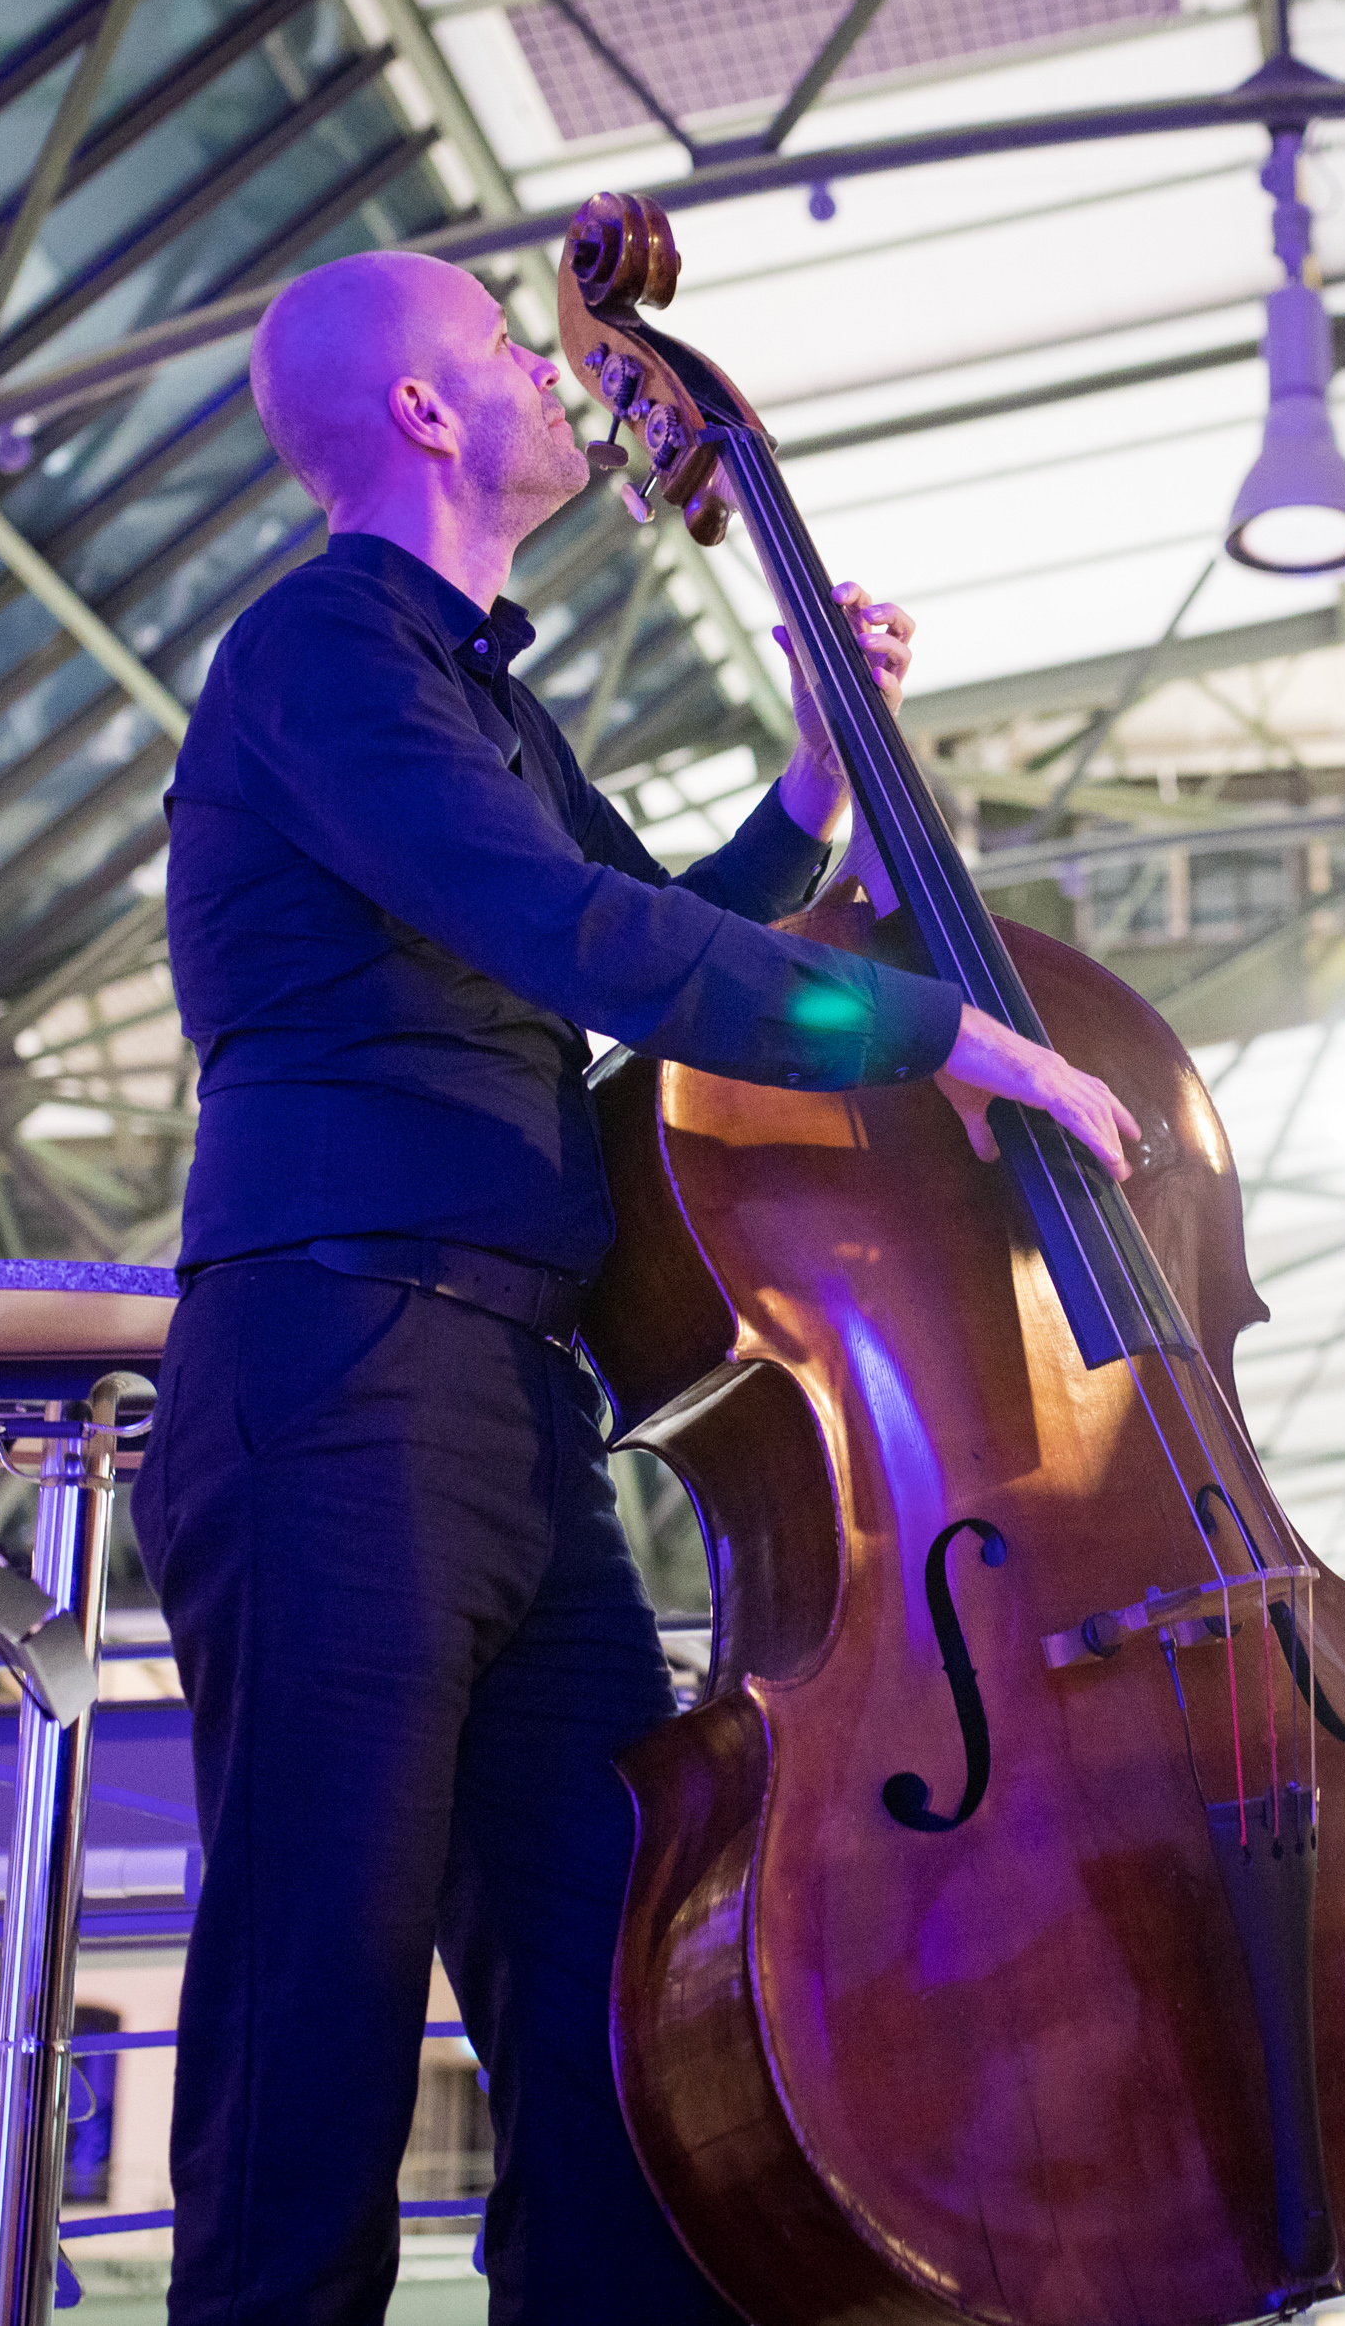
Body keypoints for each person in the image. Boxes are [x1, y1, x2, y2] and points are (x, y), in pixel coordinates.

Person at [129, 248, 1138, 2326]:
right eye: (509, 349)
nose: (551, 375)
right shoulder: (319, 652)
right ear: (423, 414)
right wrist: (944, 1032)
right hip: (333, 1364)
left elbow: (634, 931)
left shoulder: (473, 690)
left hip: (511, 1394)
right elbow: (568, 933)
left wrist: (807, 793)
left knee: (620, 1999)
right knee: (312, 1988)